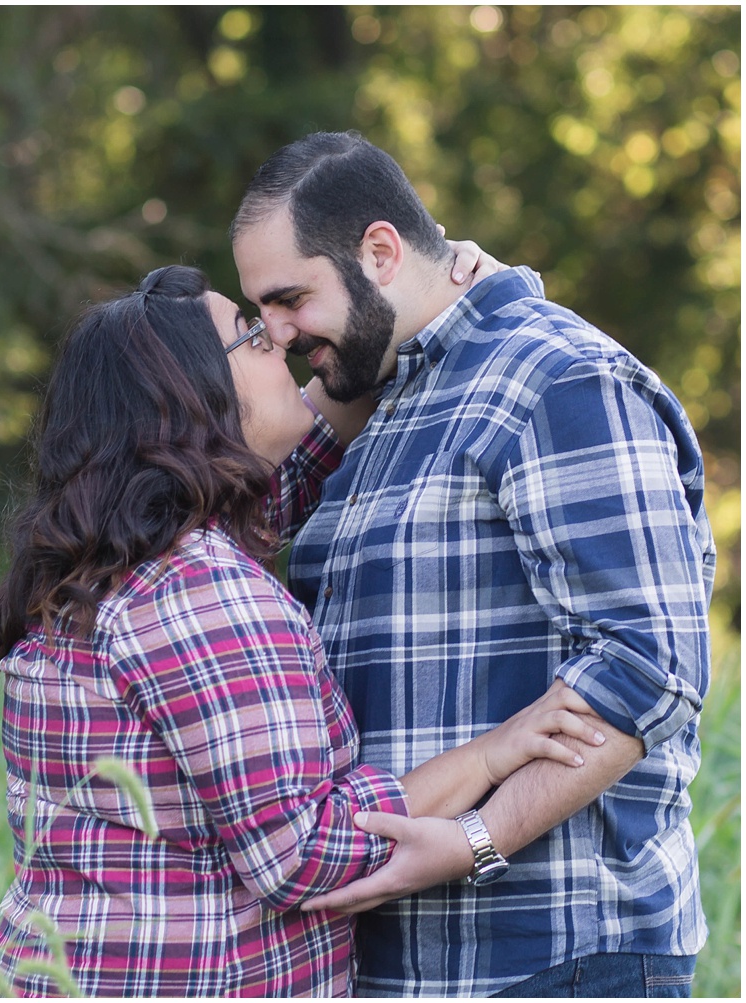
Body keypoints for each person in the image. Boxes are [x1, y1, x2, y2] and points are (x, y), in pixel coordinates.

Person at [0, 263, 606, 997]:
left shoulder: (102, 568)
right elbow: (302, 853)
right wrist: (490, 755)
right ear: (192, 401)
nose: (286, 343)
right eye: (255, 340)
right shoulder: (202, 593)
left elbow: (292, 466)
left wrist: (424, 301)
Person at [229, 131, 715, 998]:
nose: (279, 333)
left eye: (291, 299)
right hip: (396, 961)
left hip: (555, 954)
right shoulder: (377, 394)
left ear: (380, 251)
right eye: (260, 312)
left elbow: (652, 664)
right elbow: (220, 513)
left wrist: (478, 837)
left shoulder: (557, 380)